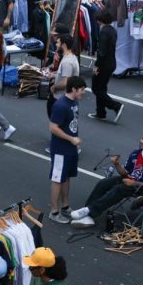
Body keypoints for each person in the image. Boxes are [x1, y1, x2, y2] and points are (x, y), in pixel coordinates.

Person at [70, 129, 143, 228]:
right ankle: (88, 214)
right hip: (128, 180)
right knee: (103, 183)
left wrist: (134, 183)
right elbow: (125, 173)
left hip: (142, 188)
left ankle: (89, 211)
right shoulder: (135, 153)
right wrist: (117, 164)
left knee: (120, 189)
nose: (142, 142)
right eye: (142, 138)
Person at [47, 76, 86, 223]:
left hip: (70, 148)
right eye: (81, 90)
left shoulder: (74, 102)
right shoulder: (60, 105)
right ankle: (54, 211)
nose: (83, 93)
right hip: (61, 149)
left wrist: (74, 140)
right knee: (58, 179)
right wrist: (71, 139)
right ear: (74, 89)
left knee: (67, 177)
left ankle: (65, 206)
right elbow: (53, 127)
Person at [89, 11, 123, 120]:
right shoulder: (112, 30)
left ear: (99, 20)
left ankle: (115, 106)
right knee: (101, 88)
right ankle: (100, 112)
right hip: (111, 63)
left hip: (104, 64)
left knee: (96, 88)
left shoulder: (103, 32)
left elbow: (102, 52)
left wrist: (96, 66)